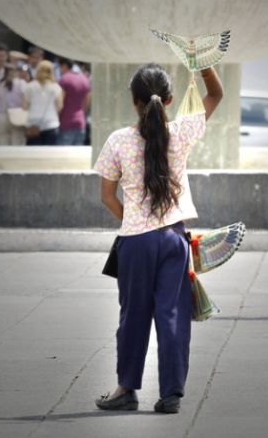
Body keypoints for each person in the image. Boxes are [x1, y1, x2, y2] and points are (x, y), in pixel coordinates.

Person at [92, 63, 223, 413]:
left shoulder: (118, 140)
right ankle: (171, 394)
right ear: (170, 100)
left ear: (134, 101)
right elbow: (216, 94)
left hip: (136, 242)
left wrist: (133, 220)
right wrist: (203, 64)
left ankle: (126, 389)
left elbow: (107, 196)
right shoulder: (181, 132)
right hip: (174, 239)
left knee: (133, 315)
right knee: (172, 314)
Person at [23, 60, 63, 145]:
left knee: (34, 152)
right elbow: (59, 107)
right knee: (50, 152)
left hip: (33, 124)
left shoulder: (29, 86)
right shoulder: (56, 87)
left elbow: (24, 106)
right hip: (51, 123)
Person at [0, 63, 27, 145]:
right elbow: (26, 101)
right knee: (17, 144)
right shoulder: (22, 83)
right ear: (17, 72)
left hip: (1, 117)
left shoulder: (0, 85)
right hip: (17, 116)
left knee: (2, 144)